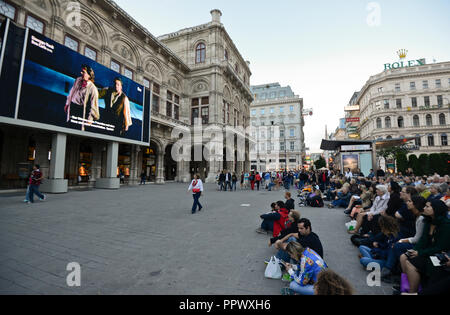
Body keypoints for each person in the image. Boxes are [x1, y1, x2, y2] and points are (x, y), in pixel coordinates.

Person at [399, 200, 450, 293]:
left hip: (437, 255)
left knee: (410, 263)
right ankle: (406, 285)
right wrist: (415, 250)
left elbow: (440, 247)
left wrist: (419, 252)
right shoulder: (428, 221)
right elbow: (423, 240)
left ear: (436, 209)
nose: (424, 208)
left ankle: (412, 291)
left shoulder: (446, 225)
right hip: (426, 251)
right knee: (403, 257)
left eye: (427, 207)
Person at [381, 195, 427, 283]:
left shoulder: (421, 218)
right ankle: (390, 270)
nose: (407, 203)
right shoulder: (417, 216)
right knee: (396, 245)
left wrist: (403, 240)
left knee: (397, 246)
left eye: (410, 201)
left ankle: (389, 270)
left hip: (419, 245)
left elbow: (417, 239)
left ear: (415, 204)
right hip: (415, 241)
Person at [65, 65, 100, 131]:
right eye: (82, 71)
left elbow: (94, 107)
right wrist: (67, 104)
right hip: (72, 107)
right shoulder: (78, 80)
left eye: (83, 72)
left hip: (80, 112)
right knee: (69, 127)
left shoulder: (93, 89)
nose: (81, 73)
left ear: (89, 75)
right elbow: (71, 92)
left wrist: (89, 120)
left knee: (77, 130)